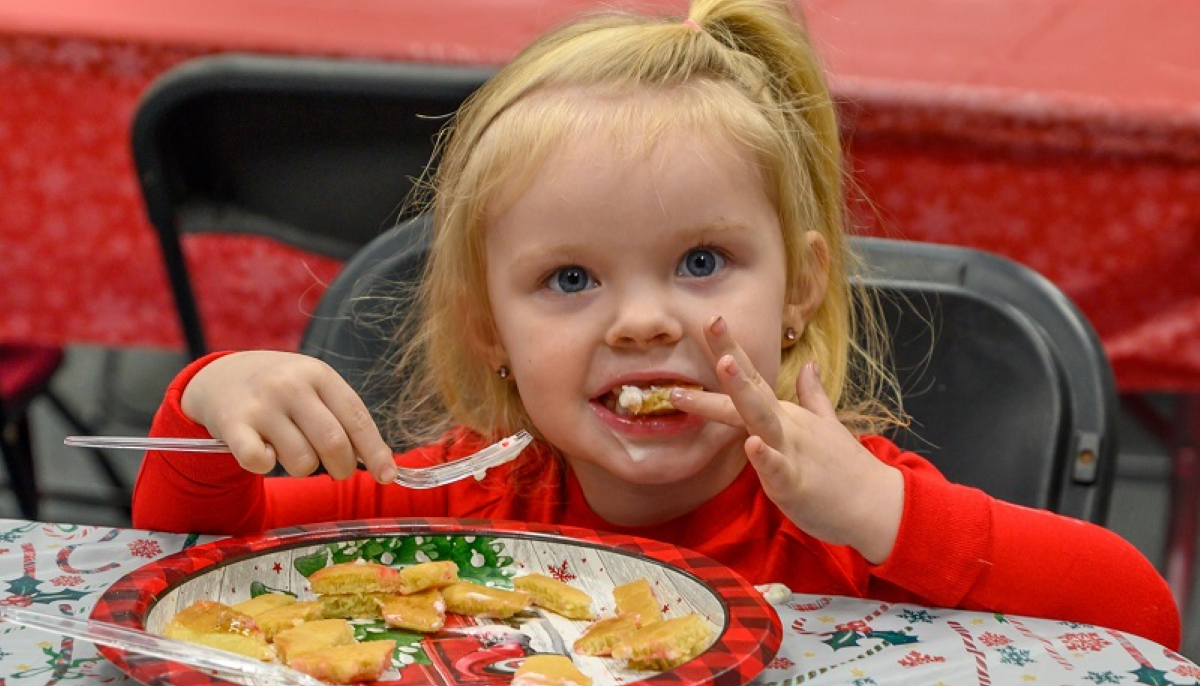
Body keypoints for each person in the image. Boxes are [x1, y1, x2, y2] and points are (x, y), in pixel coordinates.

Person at [132, 0, 1180, 649]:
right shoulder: (450, 507)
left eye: (701, 263)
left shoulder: (847, 517)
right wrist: (209, 400)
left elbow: (1144, 618)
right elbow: (183, 558)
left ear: (800, 288)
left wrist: (882, 517)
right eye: (571, 278)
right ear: (486, 323)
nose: (641, 322)